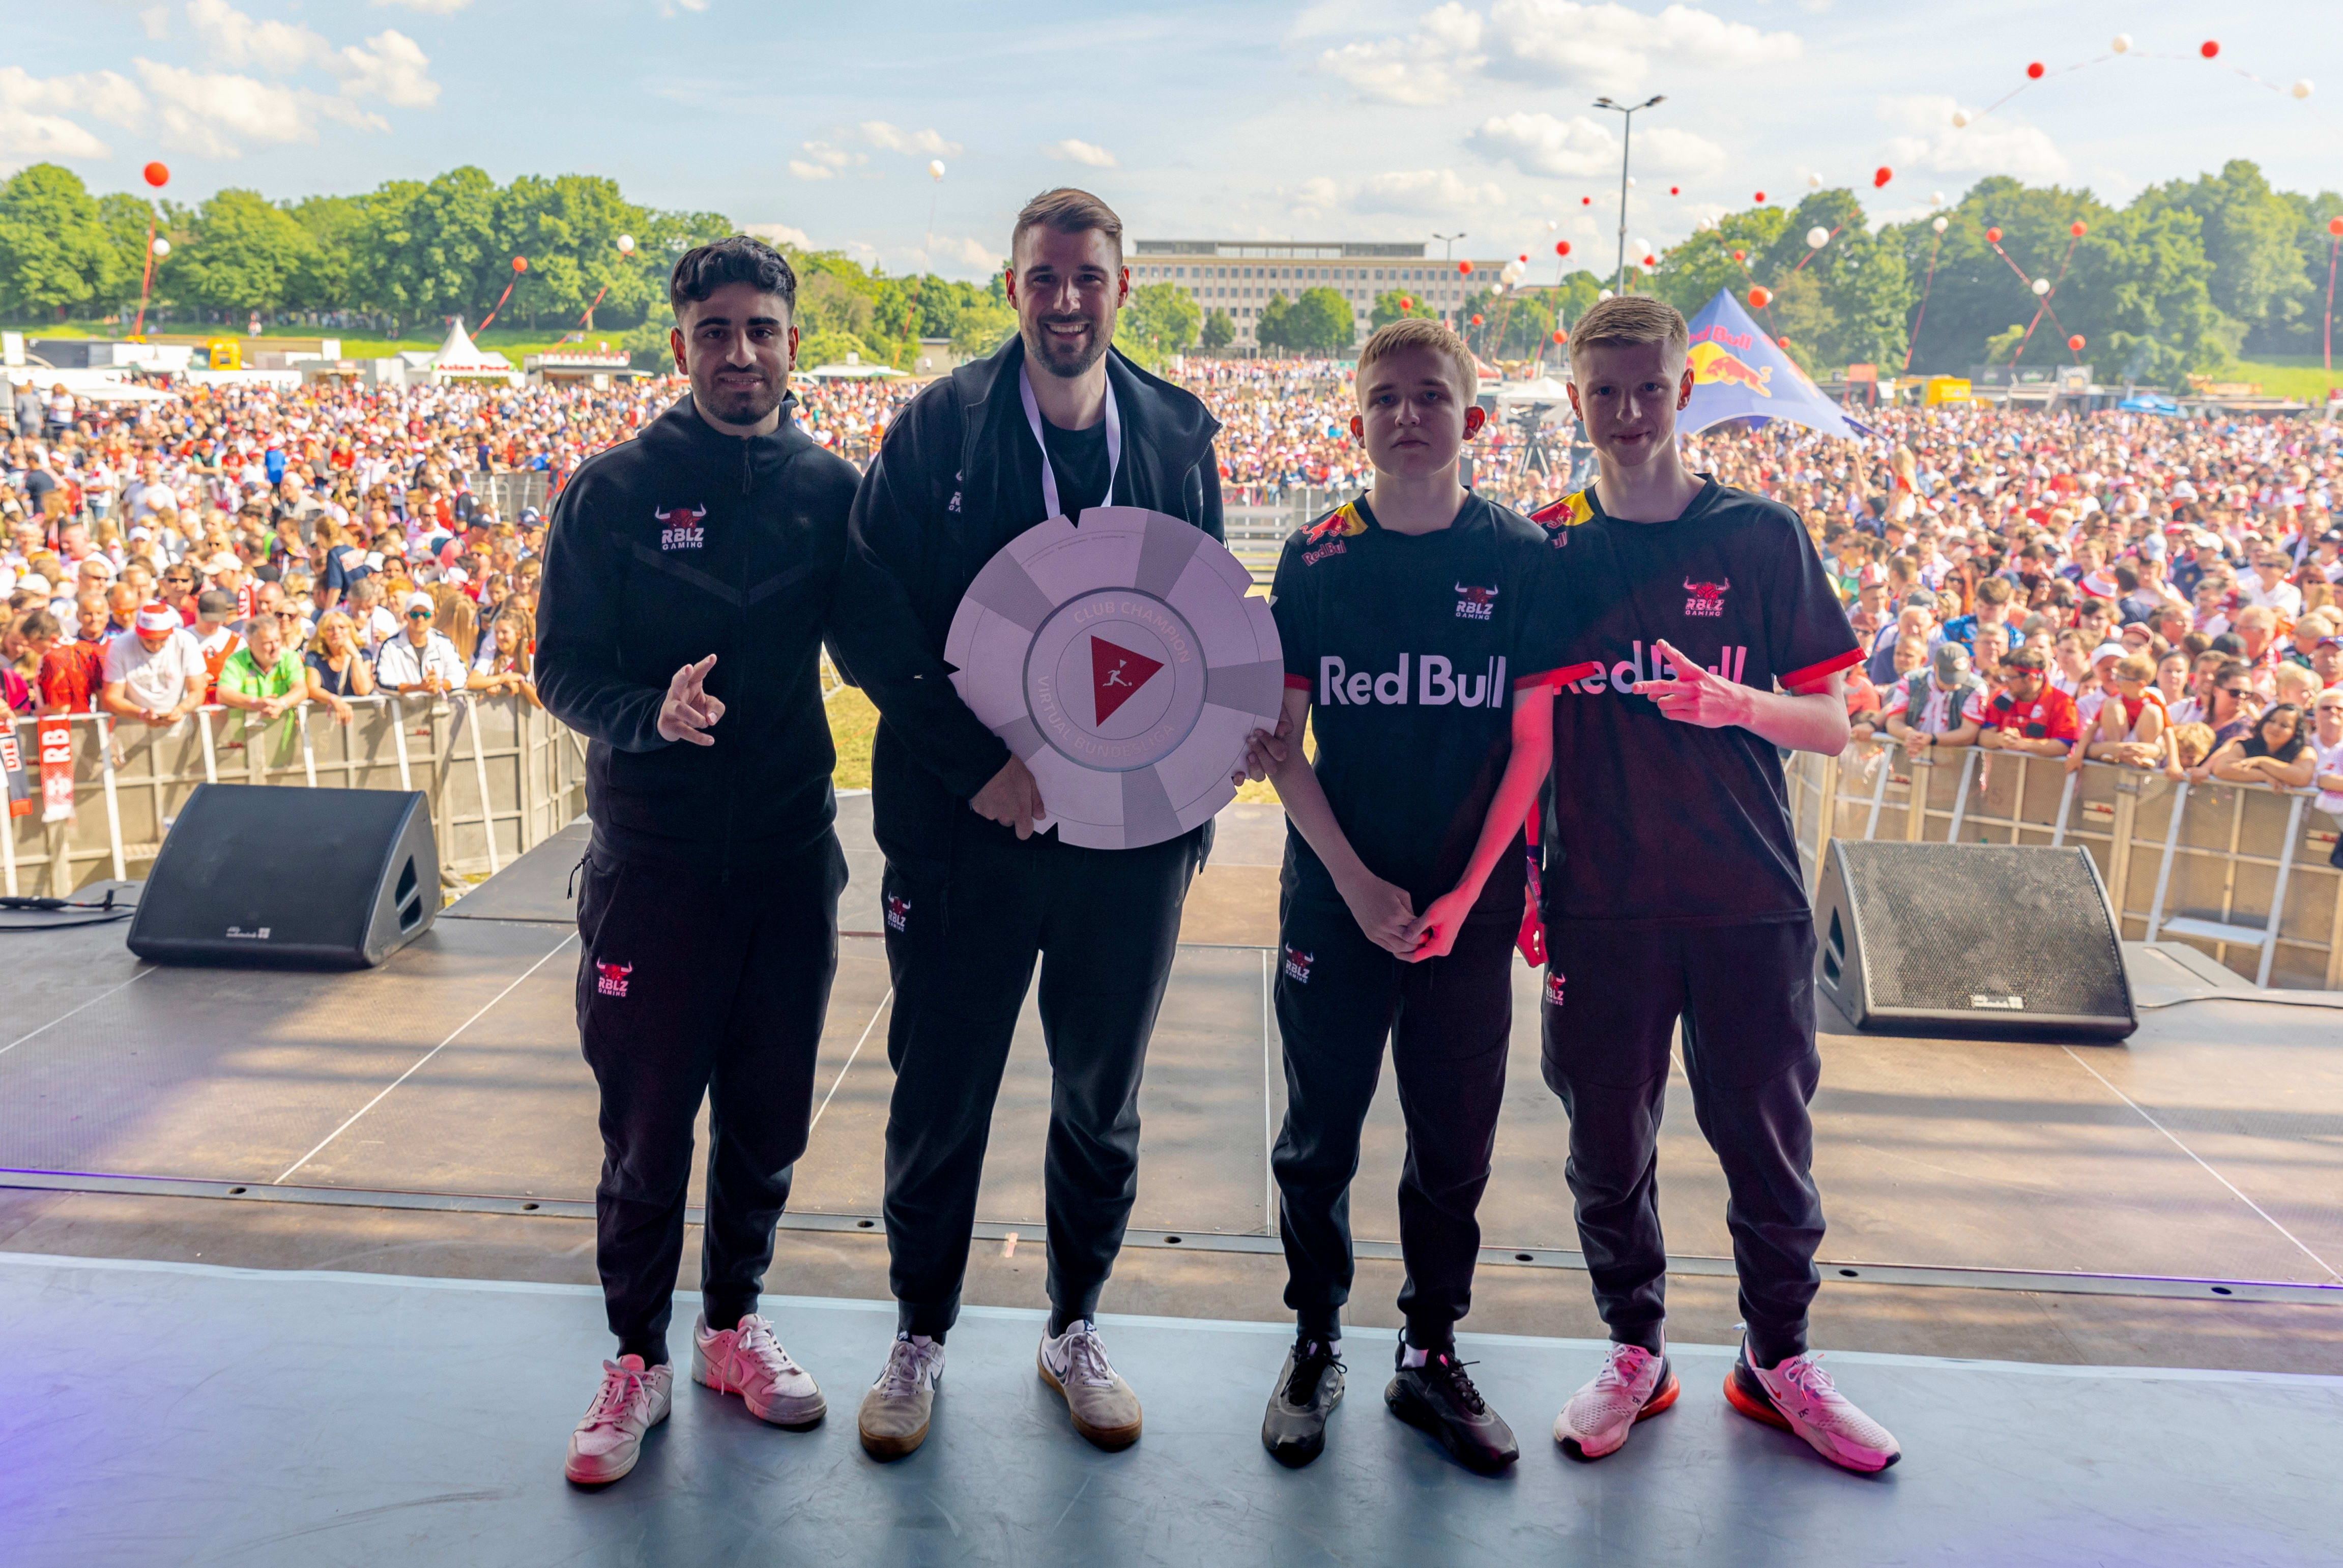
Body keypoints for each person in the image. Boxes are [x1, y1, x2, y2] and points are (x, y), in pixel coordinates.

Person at [835, 189, 1225, 1462]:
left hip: (1127, 841)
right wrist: (974, 768)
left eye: (1086, 278)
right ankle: (918, 1333)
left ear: (1122, 287)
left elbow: (1205, 619)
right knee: (940, 1092)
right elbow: (869, 618)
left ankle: (1074, 1326)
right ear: (1010, 287)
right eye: (1042, 279)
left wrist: (1185, 803)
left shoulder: (1174, 432)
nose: (1064, 301)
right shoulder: (938, 426)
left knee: (1099, 1097)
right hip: (971, 831)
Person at [1526, 295, 1898, 1474]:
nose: (1628, 411)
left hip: (1745, 897)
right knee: (1606, 1143)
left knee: (1766, 1142)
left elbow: (1831, 723)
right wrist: (1526, 875)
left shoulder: (1759, 535)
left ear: (1684, 391)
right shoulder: (1546, 547)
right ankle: (1632, 1350)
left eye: (1648, 387)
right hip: (1600, 902)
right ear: (1574, 398)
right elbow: (1520, 736)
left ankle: (1775, 1359)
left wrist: (1735, 703)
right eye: (1604, 391)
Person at [537, 235, 861, 1488]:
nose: (739, 352)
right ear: (679, 346)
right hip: (654, 863)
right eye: (714, 330)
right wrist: (649, 715)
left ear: (791, 343)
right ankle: (636, 1356)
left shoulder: (829, 489)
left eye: (760, 329)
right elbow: (561, 667)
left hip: (787, 858)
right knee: (646, 1129)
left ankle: (731, 1328)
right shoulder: (613, 490)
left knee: (768, 1117)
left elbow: (888, 646)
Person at [1236, 320, 1577, 1474]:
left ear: (1471, 418)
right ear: (1356, 423)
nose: (1407, 415)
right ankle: (1314, 1340)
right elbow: (1280, 748)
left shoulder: (1522, 555)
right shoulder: (1315, 557)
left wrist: (1467, 892)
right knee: (1316, 1139)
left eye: (1430, 395)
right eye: (1384, 398)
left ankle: (1428, 1348)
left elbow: (1533, 746)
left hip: (1467, 911)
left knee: (1453, 1144)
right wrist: (1353, 881)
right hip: (1336, 900)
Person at [100, 602, 203, 729]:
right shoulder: (120, 646)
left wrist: (182, 709)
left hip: (177, 726)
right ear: (138, 633)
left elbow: (197, 691)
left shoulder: (186, 642)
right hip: (131, 726)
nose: (156, 646)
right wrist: (140, 714)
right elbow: (112, 697)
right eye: (149, 640)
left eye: (163, 640)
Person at [1977, 646, 2082, 760]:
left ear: (2031, 678)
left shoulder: (2062, 702)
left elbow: (2063, 745)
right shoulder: (2002, 697)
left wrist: (2024, 744)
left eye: (2010, 678)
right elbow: (1984, 736)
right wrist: (2001, 739)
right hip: (2004, 769)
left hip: (2043, 770)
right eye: (2004, 677)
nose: (2005, 683)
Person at [372, 592, 468, 694]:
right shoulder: (390, 645)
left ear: (433, 617)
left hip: (440, 703)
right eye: (415, 615)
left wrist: (438, 684)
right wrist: (418, 688)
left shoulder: (444, 642)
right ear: (406, 616)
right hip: (404, 704)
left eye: (426, 615)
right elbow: (384, 680)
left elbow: (460, 676)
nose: (420, 619)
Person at [2200, 704, 2315, 788]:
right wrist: (2264, 777)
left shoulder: (2304, 751)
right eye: (2272, 721)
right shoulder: (2247, 745)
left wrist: (2261, 762)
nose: (2275, 728)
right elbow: (2221, 769)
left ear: (2295, 733)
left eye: (2284, 726)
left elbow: (2302, 778)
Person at [303, 610, 376, 724]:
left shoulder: (364, 654)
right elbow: (312, 689)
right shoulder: (314, 657)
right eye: (330, 629)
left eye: (342, 628)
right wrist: (334, 700)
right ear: (322, 633)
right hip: (328, 721)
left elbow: (363, 690)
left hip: (361, 719)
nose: (336, 632)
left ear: (350, 630)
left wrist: (355, 656)